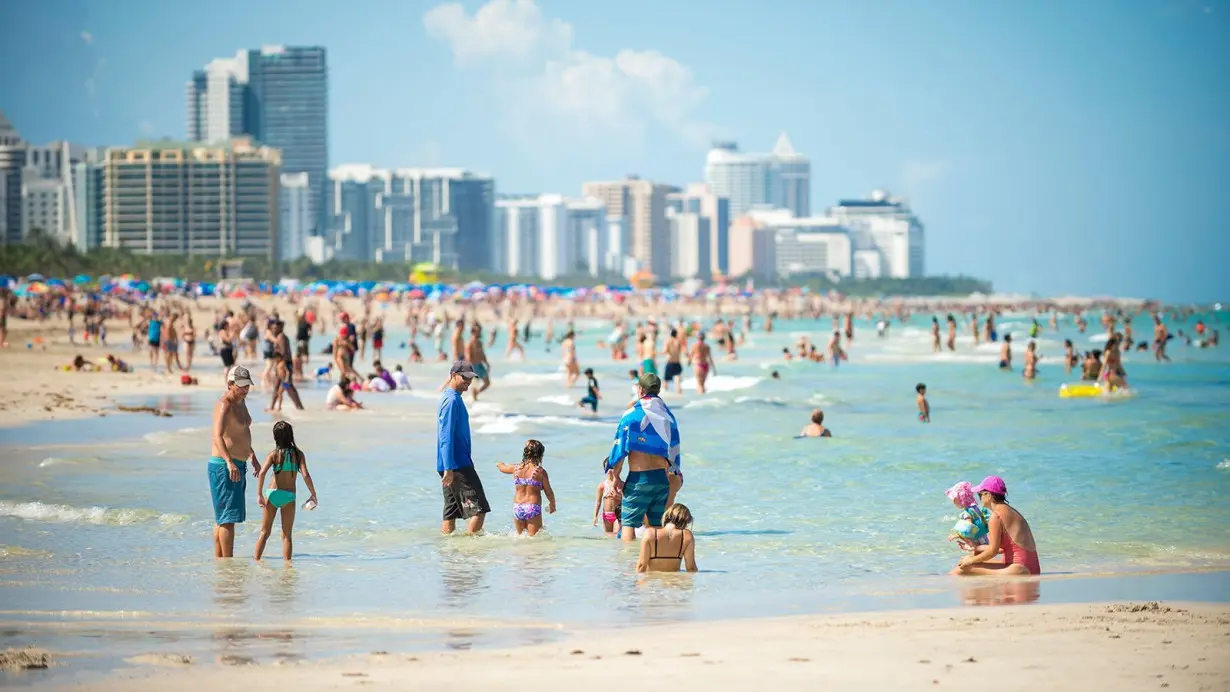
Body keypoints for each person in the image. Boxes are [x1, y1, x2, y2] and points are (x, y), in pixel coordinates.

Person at [605, 373, 681, 542]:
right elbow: (674, 450)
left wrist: (615, 476)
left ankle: (627, 562)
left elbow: (620, 449)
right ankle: (655, 564)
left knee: (628, 523)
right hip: (661, 478)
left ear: (640, 389)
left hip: (639, 478)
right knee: (656, 527)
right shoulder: (668, 417)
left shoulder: (631, 415)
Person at [209, 366, 261, 558]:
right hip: (224, 466)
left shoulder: (242, 402)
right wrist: (229, 462)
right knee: (227, 519)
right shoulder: (225, 404)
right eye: (241, 386)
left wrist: (252, 456)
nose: (245, 389)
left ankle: (220, 565)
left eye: (247, 385)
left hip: (238, 464)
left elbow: (240, 434)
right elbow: (218, 436)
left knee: (223, 519)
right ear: (230, 384)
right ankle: (228, 565)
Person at [438, 360, 491, 535]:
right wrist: (449, 468)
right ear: (453, 375)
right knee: (479, 509)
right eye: (465, 378)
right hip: (456, 465)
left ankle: (449, 553)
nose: (468, 382)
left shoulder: (452, 397)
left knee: (451, 511)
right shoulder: (451, 401)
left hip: (451, 464)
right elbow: (445, 436)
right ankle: (469, 550)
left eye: (470, 378)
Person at [254, 421, 318, 561]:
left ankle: (256, 563)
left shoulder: (273, 454)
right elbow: (306, 475)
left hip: (273, 494)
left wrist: (259, 494)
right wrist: (313, 494)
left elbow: (262, 473)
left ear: (275, 437)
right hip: (289, 496)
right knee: (287, 535)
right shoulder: (298, 454)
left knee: (264, 532)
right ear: (291, 435)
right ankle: (287, 568)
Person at [953, 476, 1041, 576]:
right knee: (971, 562)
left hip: (1019, 568)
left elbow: (992, 552)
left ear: (988, 495)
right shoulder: (1011, 511)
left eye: (980, 495)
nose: (980, 499)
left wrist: (971, 560)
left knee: (962, 570)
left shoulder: (996, 516)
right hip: (1030, 568)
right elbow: (1001, 548)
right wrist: (976, 548)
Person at [495, 439, 556, 536]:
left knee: (520, 538)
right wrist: (552, 504)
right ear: (540, 455)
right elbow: (548, 491)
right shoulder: (540, 472)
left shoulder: (516, 468)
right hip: (532, 507)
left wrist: (499, 464)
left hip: (518, 507)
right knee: (534, 539)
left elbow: (502, 468)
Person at [636, 503, 698, 573]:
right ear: (686, 521)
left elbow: (641, 566)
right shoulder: (687, 535)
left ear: (666, 516)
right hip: (675, 581)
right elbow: (691, 568)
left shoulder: (650, 534)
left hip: (653, 582)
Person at [945, 481, 989, 552]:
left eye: (954, 500)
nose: (953, 502)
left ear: (959, 499)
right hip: (983, 536)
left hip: (978, 540)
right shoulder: (975, 508)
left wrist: (957, 534)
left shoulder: (967, 513)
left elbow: (968, 528)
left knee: (978, 556)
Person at [593, 464, 623, 536]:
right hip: (607, 515)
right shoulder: (602, 485)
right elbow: (598, 502)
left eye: (612, 467)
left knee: (616, 534)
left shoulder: (622, 484)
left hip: (617, 515)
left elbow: (627, 500)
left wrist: (618, 497)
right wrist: (595, 516)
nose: (610, 470)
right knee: (608, 535)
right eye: (607, 468)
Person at [465, 324, 491, 401]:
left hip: (480, 365)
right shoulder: (469, 344)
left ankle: (476, 395)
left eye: (480, 331)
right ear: (473, 332)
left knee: (487, 383)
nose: (480, 333)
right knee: (475, 386)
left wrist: (487, 363)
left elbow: (482, 354)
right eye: (478, 331)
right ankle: (474, 400)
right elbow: (468, 358)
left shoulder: (479, 343)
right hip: (473, 366)